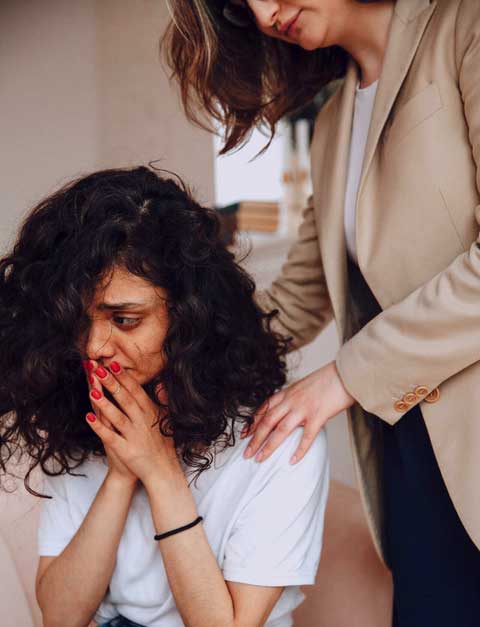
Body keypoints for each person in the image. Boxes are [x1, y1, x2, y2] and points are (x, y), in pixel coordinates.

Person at [162, 1, 480, 625]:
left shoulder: (465, 25)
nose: (263, 11)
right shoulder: (336, 117)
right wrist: (165, 351)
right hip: (411, 449)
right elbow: (296, 298)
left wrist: (341, 377)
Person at [0, 166, 329, 627]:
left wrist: (159, 469)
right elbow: (59, 616)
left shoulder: (276, 438)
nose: (93, 348)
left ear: (190, 318)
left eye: (125, 320)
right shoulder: (81, 413)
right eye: (79, 322)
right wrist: (119, 476)